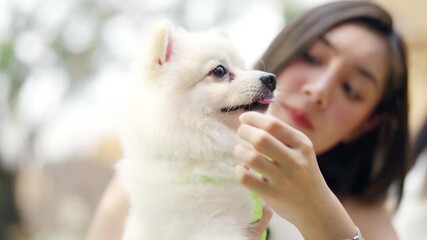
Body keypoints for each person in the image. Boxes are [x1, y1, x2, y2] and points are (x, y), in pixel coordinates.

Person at [87, 1, 410, 239]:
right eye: (312, 57)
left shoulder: (368, 221)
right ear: (286, 48)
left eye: (351, 89)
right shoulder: (155, 176)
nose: (319, 89)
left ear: (367, 123)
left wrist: (325, 221)